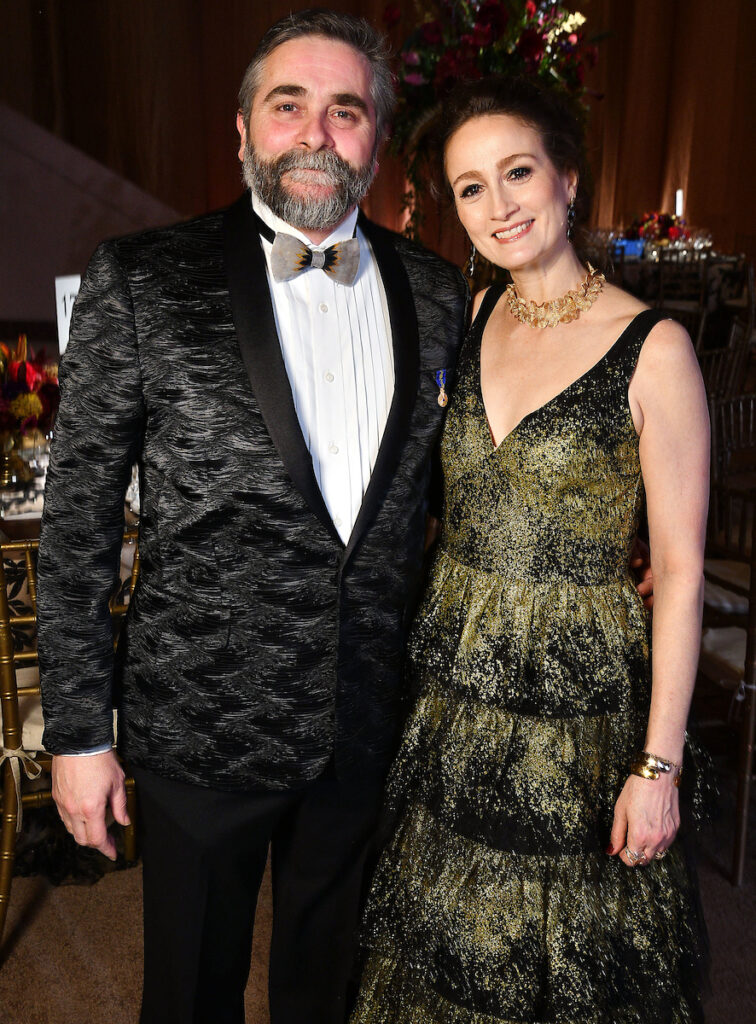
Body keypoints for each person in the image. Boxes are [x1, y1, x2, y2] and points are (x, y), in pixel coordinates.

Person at [36, 10, 468, 1024]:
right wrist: (76, 736)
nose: (317, 131)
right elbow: (80, 526)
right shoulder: (140, 277)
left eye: (346, 110)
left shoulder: (440, 293)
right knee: (190, 995)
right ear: (242, 131)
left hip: (363, 722)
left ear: (374, 140)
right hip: (200, 732)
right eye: (289, 105)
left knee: (332, 996)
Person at [351, 76, 709, 1023]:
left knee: (566, 964)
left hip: (577, 708)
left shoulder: (655, 348)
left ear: (569, 181)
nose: (499, 206)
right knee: (442, 953)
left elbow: (677, 574)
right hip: (459, 686)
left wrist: (658, 767)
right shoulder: (469, 319)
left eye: (517, 173)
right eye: (471, 188)